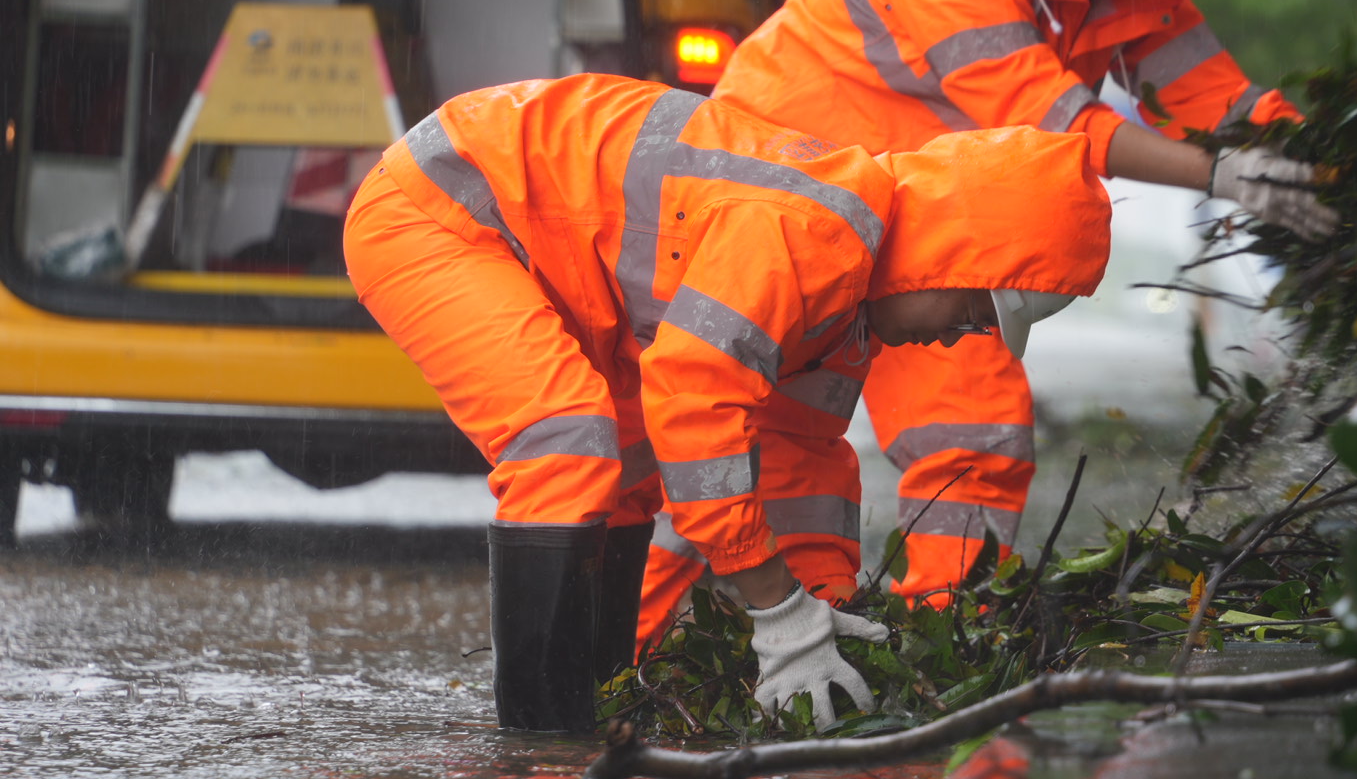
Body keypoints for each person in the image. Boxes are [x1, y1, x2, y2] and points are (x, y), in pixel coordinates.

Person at [631, 0, 1338, 636]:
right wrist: (1221, 178)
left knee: (937, 432)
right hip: (788, 199)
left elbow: (1216, 99)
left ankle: (923, 627)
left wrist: (1322, 161)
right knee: (746, 423)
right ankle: (650, 646)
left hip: (903, 215)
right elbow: (1059, 122)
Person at [342, 73, 1112, 734]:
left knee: (625, 477)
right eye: (973, 316)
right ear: (953, 260)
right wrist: (776, 614)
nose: (956, 340)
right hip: (444, 209)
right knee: (566, 445)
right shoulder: (820, 233)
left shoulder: (846, 319)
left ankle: (602, 701)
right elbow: (692, 396)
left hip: (549, 255)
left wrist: (827, 625)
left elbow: (798, 471)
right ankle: (540, 741)